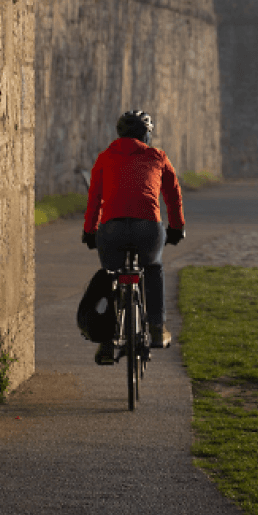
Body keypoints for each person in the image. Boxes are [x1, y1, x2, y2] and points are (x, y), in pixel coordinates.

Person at [82, 110, 185, 365]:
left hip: (112, 229)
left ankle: (107, 342)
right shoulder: (158, 156)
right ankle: (158, 328)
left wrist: (89, 231)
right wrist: (177, 228)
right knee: (153, 267)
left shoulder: (105, 157)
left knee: (111, 276)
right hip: (147, 228)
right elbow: (173, 195)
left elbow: (94, 198)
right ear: (147, 134)